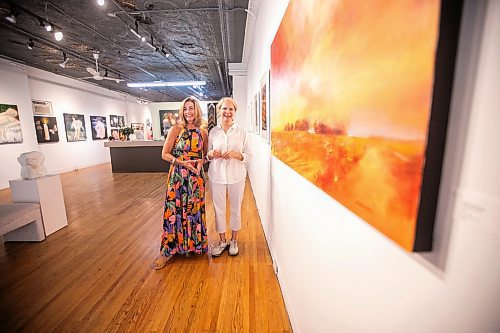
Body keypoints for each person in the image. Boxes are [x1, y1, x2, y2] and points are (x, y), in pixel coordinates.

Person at [153, 96, 208, 269]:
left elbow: (204, 156)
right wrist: (181, 162)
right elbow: (164, 154)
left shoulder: (203, 132)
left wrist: (200, 162)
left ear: (196, 110)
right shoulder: (176, 129)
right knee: (174, 211)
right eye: (185, 109)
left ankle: (193, 245)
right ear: (182, 111)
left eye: (191, 108)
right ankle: (168, 251)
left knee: (193, 211)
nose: (188, 112)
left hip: (195, 178)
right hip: (178, 176)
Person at [207, 97, 251, 257]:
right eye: (224, 109)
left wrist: (236, 154)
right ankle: (222, 240)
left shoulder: (242, 132)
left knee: (235, 208)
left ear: (235, 112)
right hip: (216, 175)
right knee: (218, 209)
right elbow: (207, 154)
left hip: (236, 176)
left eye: (230, 109)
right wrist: (211, 153)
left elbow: (249, 155)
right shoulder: (213, 132)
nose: (227, 112)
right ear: (219, 111)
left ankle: (234, 241)